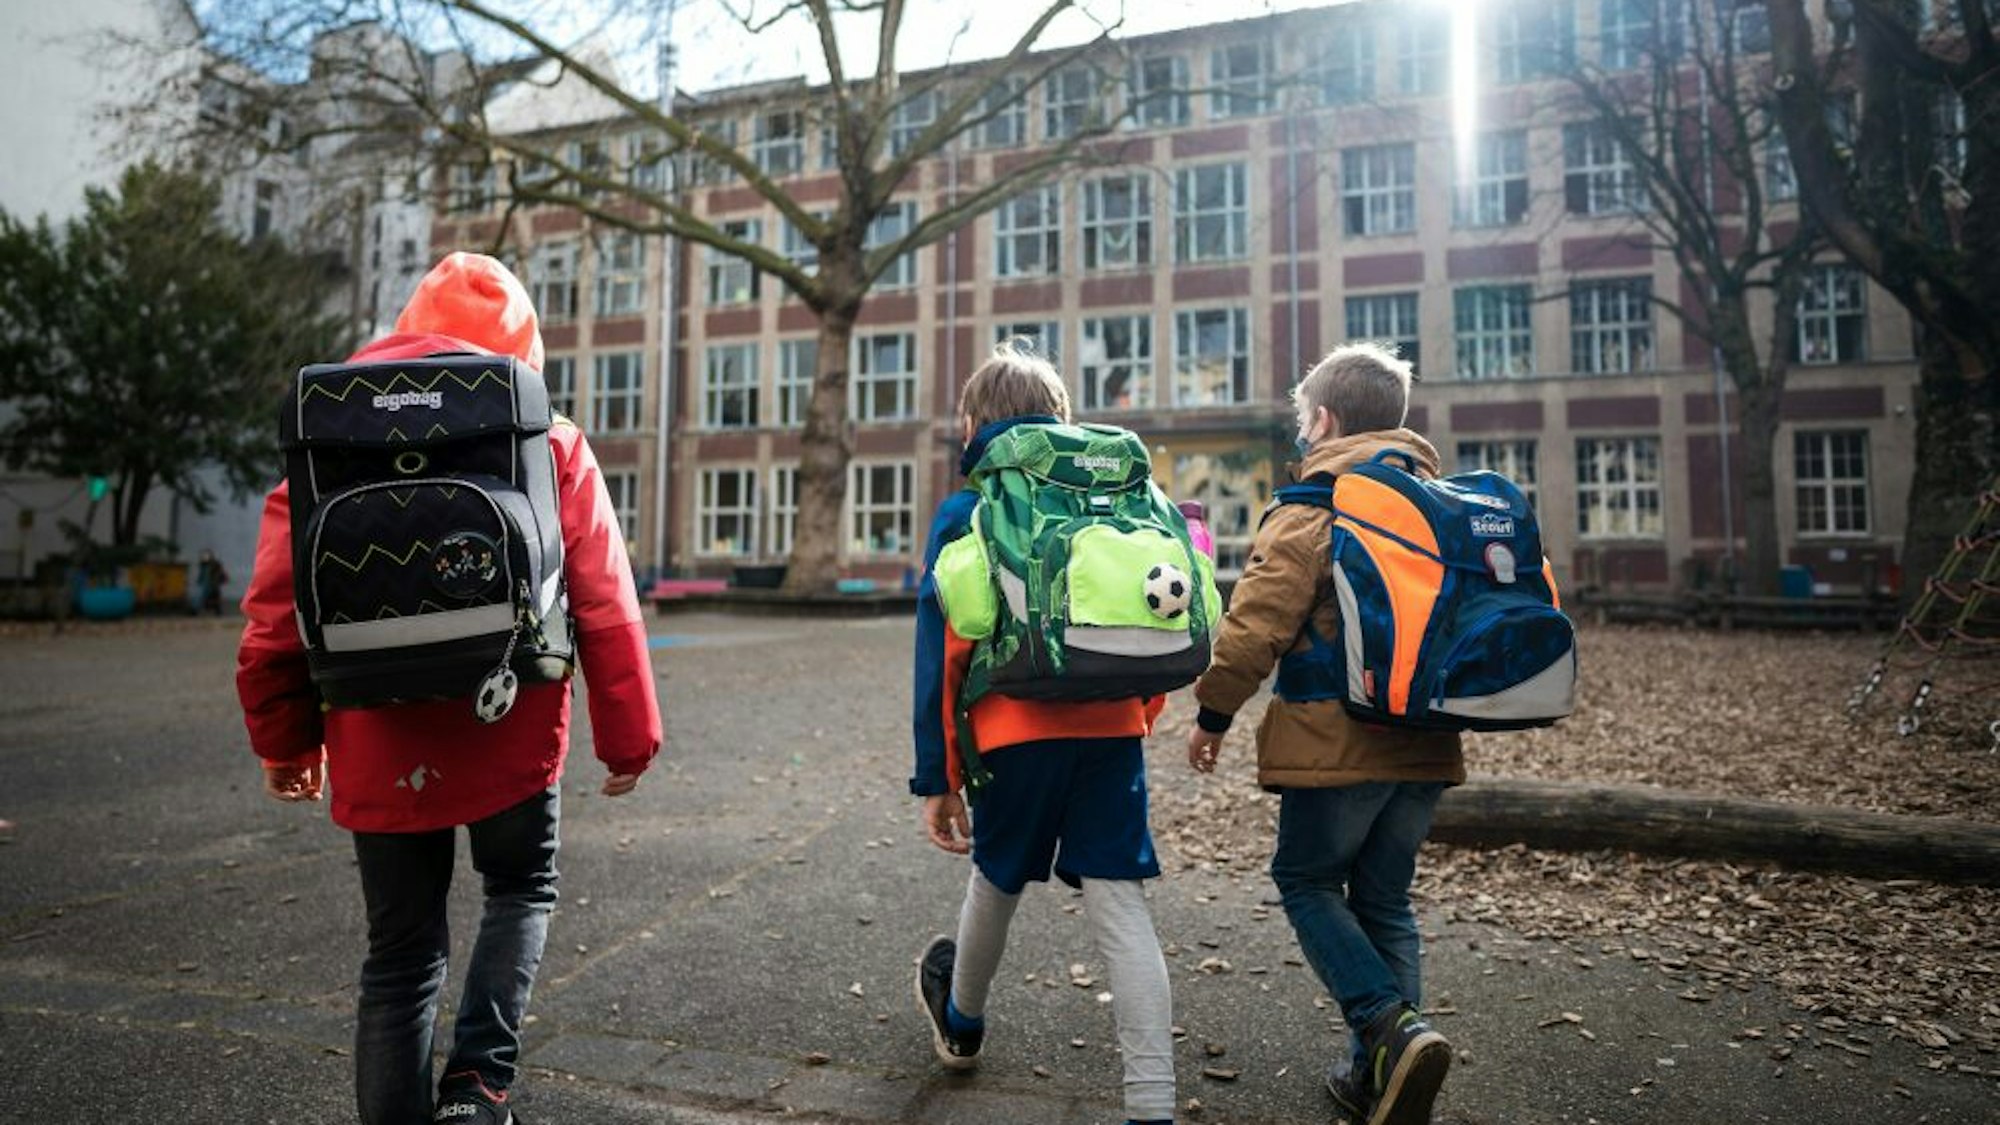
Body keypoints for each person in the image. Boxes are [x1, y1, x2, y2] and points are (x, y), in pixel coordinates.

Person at [235, 253, 663, 1125]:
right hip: (510, 719)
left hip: (375, 735)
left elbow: (274, 616)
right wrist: (629, 735)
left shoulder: (330, 437)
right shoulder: (544, 438)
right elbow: (606, 602)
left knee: (399, 953)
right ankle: (477, 1088)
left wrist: (284, 743)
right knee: (520, 890)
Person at [1184, 343, 1464, 1125]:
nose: (1303, 435)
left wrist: (1213, 712)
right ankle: (1380, 1076)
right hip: (1429, 741)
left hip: (1337, 739)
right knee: (1386, 900)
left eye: (1305, 420)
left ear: (1326, 420)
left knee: (1307, 881)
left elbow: (1255, 625)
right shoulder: (1437, 502)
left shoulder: (1314, 506)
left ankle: (1385, 1023)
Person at [911, 343, 1177, 1125]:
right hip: (1112, 731)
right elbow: (1156, 626)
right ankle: (1153, 1105)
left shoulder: (969, 510)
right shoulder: (1123, 498)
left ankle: (961, 1022)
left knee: (995, 876)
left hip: (1012, 733)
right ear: (1060, 422)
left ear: (972, 426)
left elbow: (945, 653)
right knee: (1121, 904)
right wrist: (1134, 717)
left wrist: (938, 776)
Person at [195, 549, 228, 615]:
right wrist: (199, 580)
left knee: (215, 600)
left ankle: (217, 611)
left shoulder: (215, 564)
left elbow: (221, 573)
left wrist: (221, 579)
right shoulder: (203, 565)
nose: (206, 558)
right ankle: (202, 610)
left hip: (214, 585)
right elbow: (202, 575)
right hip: (207, 586)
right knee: (205, 599)